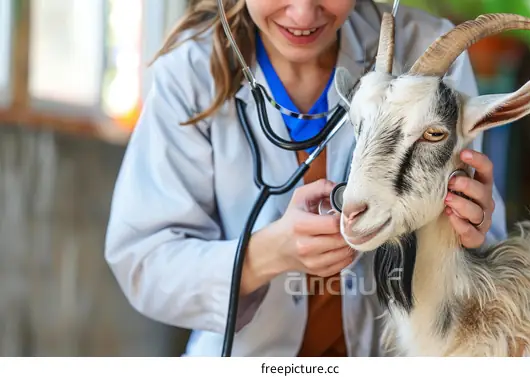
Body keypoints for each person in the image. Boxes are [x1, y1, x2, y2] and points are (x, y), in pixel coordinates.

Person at [104, 0, 508, 357]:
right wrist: (266, 255)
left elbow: (482, 260)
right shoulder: (189, 73)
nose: (302, 13)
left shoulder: (428, 49)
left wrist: (468, 230)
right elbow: (143, 262)